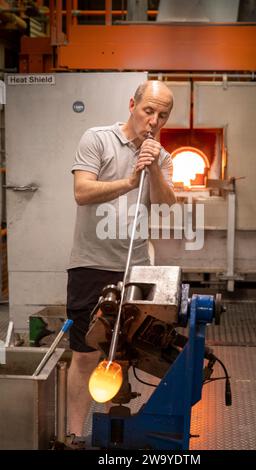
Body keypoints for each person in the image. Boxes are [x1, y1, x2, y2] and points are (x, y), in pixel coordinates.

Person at [66, 80, 176, 437]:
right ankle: (74, 436)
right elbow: (82, 192)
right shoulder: (97, 139)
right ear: (132, 104)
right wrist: (130, 181)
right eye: (148, 111)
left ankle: (121, 426)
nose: (154, 120)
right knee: (85, 354)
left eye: (162, 116)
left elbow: (164, 204)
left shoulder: (163, 156)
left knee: (132, 351)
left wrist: (153, 165)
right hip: (91, 263)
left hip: (136, 268)